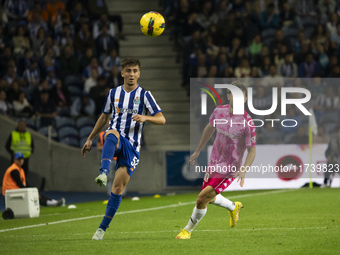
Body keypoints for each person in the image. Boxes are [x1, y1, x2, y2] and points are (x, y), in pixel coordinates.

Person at [81, 58, 166, 240]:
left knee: (118, 188)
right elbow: (104, 118)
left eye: (135, 71)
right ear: (122, 73)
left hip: (133, 147)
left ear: (139, 73)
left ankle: (101, 230)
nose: (131, 74)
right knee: (111, 133)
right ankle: (103, 172)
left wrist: (146, 118)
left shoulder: (144, 95)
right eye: (128, 71)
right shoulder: (113, 93)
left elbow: (161, 118)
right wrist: (90, 138)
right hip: (116, 137)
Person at [176, 81, 256, 239]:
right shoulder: (219, 111)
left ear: (246, 99)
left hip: (230, 168)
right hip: (214, 163)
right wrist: (198, 150)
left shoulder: (247, 123)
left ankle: (187, 230)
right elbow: (209, 128)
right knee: (209, 197)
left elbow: (251, 151)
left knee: (201, 198)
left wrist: (243, 170)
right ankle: (233, 207)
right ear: (228, 96)